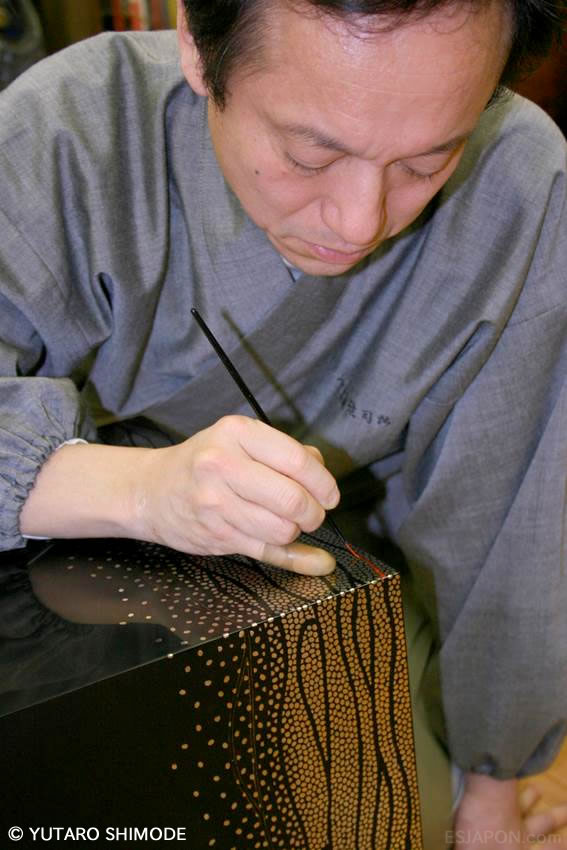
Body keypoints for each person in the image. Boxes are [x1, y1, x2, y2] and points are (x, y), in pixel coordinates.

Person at [0, 0, 565, 846]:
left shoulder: (520, 180)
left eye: (426, 162)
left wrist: (490, 789)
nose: (359, 221)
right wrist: (141, 489)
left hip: (347, 576)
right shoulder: (73, 130)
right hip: (61, 565)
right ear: (198, 48)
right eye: (310, 155)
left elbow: (509, 519)